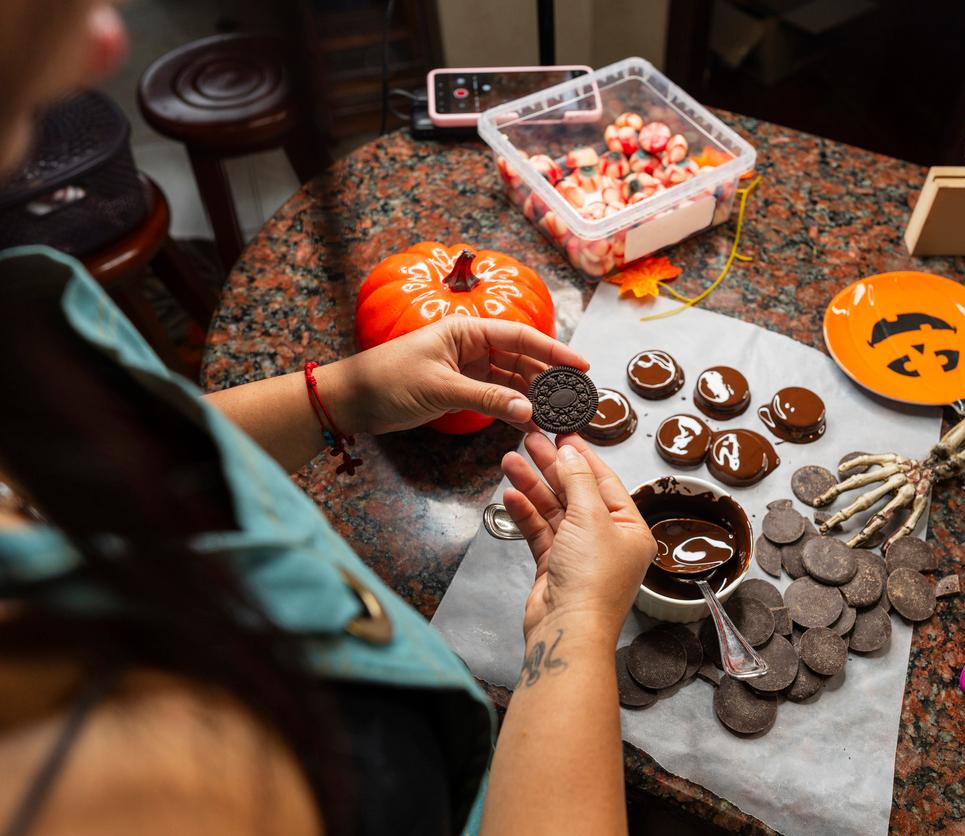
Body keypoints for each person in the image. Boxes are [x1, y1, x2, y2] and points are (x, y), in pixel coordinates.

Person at [0, 3, 657, 834]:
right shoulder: (87, 777)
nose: (109, 39)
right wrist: (576, 629)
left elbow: (91, 479)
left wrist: (338, 396)